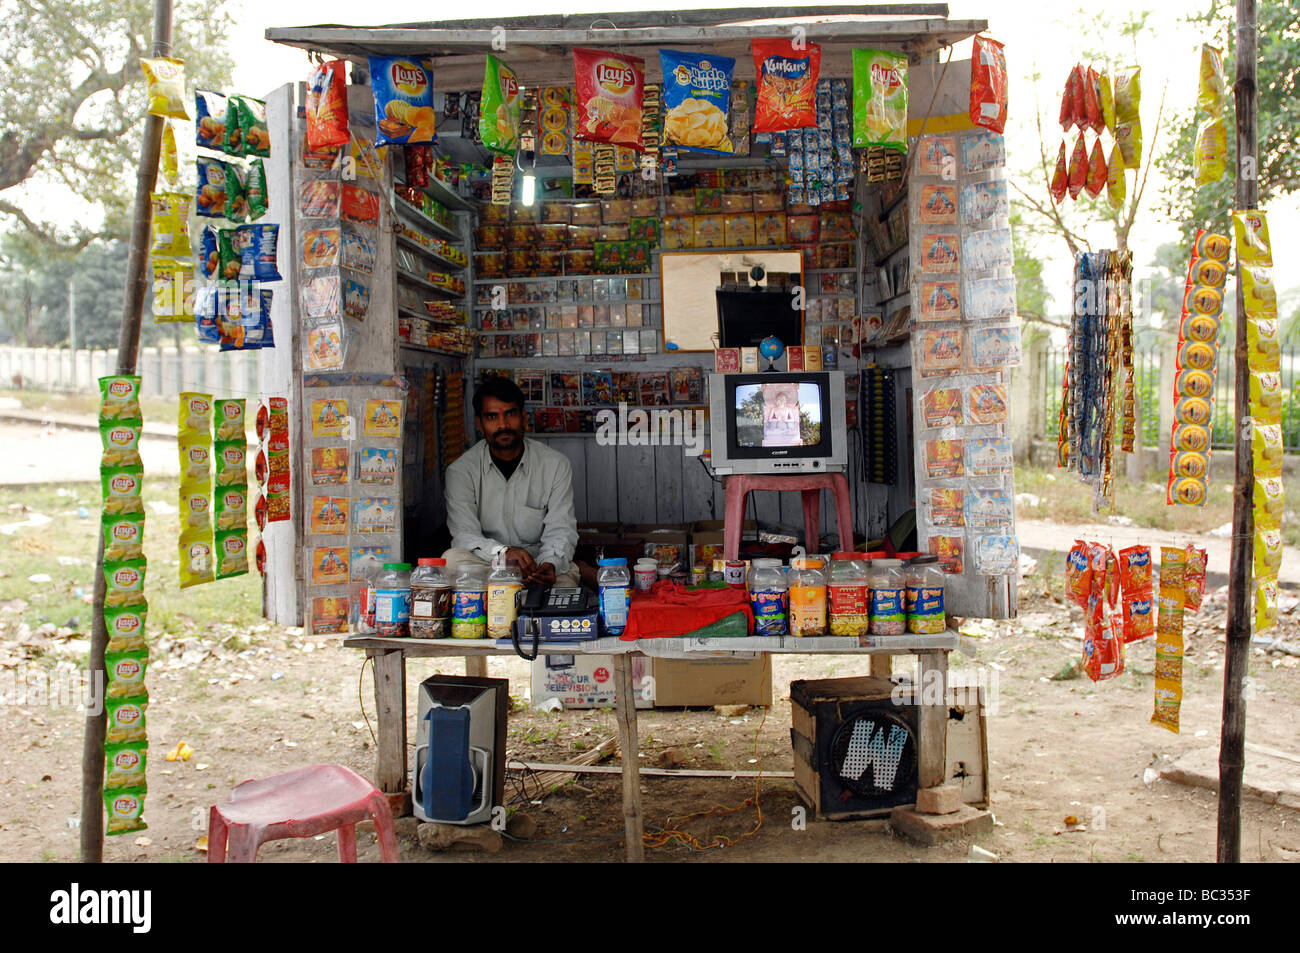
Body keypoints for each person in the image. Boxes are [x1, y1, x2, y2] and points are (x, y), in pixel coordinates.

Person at [442, 377, 579, 588]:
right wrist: (504, 553)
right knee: (452, 560)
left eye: (511, 414)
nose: (503, 425)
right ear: (480, 424)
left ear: (524, 417)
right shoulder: (461, 471)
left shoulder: (555, 465)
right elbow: (464, 535)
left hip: (536, 564)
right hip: (489, 563)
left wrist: (550, 564)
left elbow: (561, 529)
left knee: (564, 581)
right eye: (492, 417)